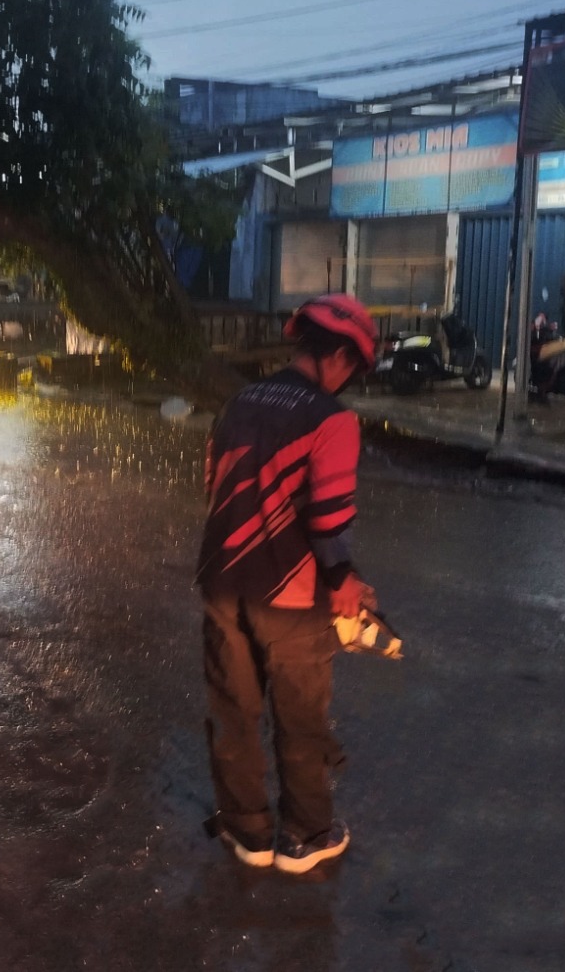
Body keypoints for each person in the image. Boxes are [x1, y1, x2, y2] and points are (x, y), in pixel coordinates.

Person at [195, 293, 380, 875]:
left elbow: (212, 485)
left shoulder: (238, 402)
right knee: (299, 717)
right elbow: (327, 520)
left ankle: (247, 831)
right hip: (292, 598)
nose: (348, 380)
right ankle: (306, 834)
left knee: (234, 710)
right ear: (341, 358)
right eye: (353, 368)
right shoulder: (332, 419)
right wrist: (346, 582)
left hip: (223, 583)